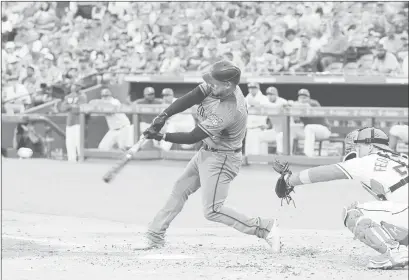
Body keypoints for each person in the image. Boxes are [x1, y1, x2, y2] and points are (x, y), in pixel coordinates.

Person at [136, 60, 278, 250]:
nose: (210, 86)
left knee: (212, 210)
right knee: (180, 188)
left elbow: (193, 136)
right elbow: (192, 96)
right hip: (207, 152)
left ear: (228, 85)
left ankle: (264, 227)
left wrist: (161, 136)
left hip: (223, 159)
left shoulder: (230, 109)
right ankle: (155, 236)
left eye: (214, 83)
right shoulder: (219, 86)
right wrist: (164, 115)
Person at [273, 127, 408, 270]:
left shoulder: (366, 161)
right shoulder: (402, 158)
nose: (356, 149)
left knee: (354, 212)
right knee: (387, 216)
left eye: (359, 146)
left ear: (370, 146)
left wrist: (289, 180)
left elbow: (321, 173)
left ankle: (395, 253)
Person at [59, 82, 87, 162]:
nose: (75, 87)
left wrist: (70, 106)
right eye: (74, 85)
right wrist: (71, 106)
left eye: (78, 86)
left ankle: (80, 158)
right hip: (70, 122)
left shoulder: (82, 96)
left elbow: (79, 109)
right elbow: (62, 108)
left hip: (79, 122)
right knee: (69, 141)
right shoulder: (68, 96)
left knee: (78, 142)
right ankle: (71, 159)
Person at [244, 82, 269, 155]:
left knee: (261, 152)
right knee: (249, 151)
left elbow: (266, 110)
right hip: (249, 128)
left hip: (260, 128)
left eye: (254, 88)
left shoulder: (264, 98)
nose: (252, 90)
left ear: (258, 88)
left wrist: (255, 104)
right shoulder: (246, 99)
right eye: (250, 88)